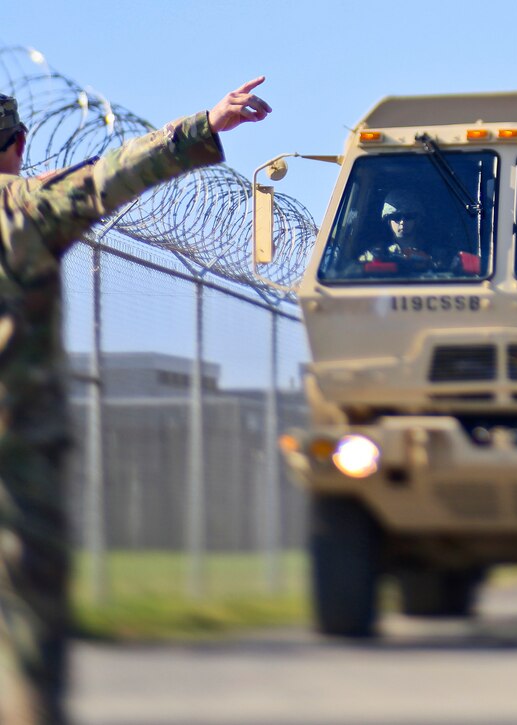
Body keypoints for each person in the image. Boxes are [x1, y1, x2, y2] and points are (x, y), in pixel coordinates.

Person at [0, 77, 271, 724]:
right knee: (32, 620)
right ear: (20, 142)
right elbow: (113, 173)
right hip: (18, 440)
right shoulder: (28, 207)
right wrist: (208, 123)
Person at [358, 189, 472, 275]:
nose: (402, 221)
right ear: (388, 221)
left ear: (417, 220)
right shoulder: (376, 254)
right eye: (396, 217)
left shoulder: (438, 253)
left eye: (408, 216)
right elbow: (354, 273)